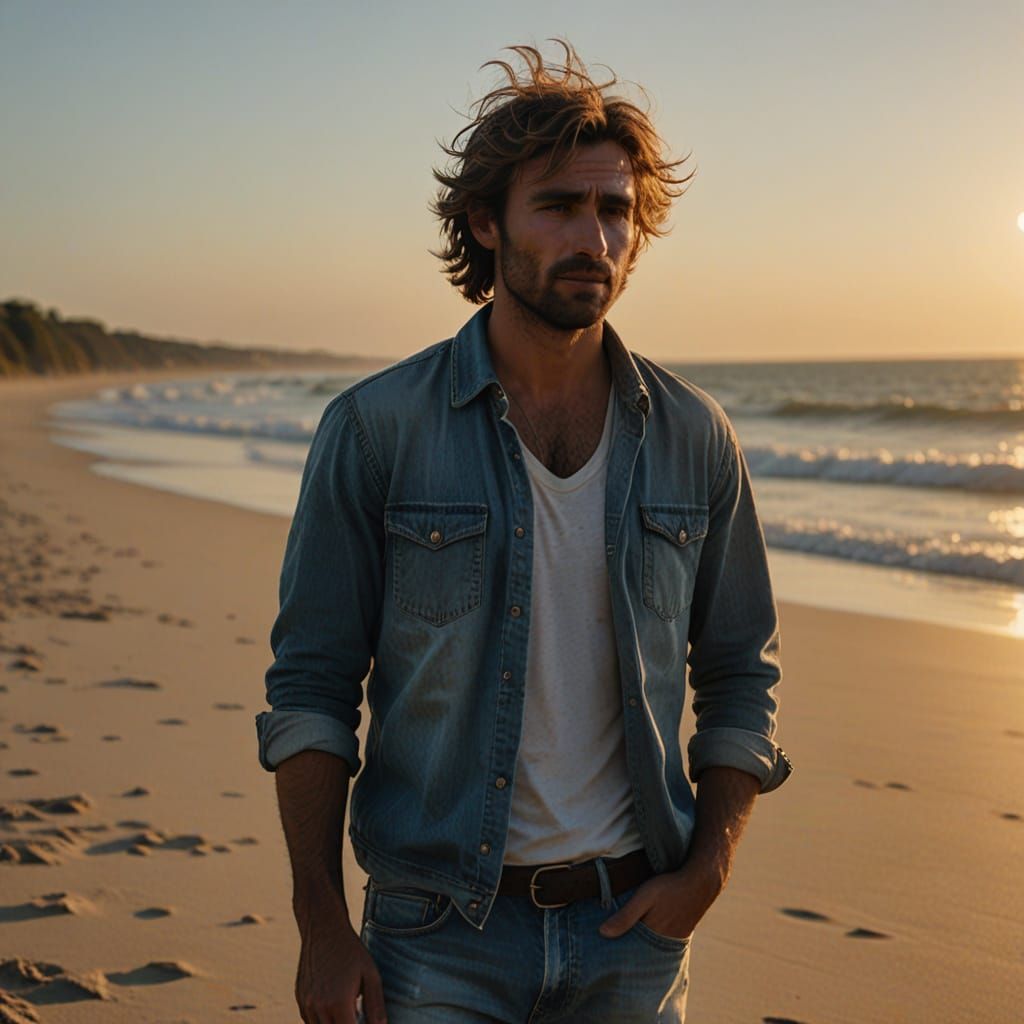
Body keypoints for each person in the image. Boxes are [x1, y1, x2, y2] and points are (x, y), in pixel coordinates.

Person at [256, 40, 792, 1024]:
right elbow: (312, 685)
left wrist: (708, 868)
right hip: (437, 935)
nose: (594, 236)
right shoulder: (379, 431)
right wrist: (321, 922)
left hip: (633, 928)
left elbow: (740, 669)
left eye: (615, 210)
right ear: (484, 223)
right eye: (558, 205)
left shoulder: (692, 437)